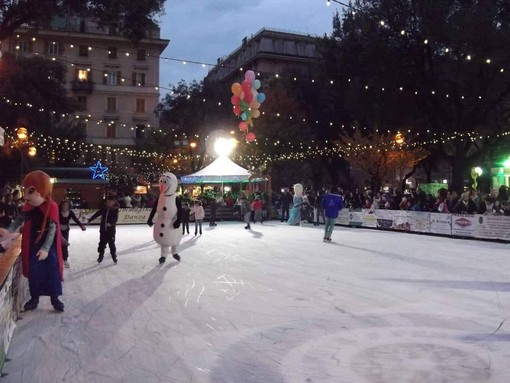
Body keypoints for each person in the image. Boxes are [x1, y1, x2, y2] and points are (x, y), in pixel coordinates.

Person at [0, 171, 65, 312]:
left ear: (41, 190)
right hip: (33, 244)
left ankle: (55, 298)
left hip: (47, 245)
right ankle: (34, 298)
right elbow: (19, 219)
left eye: (30, 191)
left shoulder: (51, 206)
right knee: (34, 272)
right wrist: (10, 230)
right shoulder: (29, 207)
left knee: (51, 271)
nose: (26, 196)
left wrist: (46, 248)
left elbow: (53, 229)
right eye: (25, 190)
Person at [87, 195, 119, 264]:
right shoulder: (104, 208)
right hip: (103, 229)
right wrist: (90, 219)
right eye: (108, 201)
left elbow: (115, 218)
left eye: (110, 201)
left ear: (113, 202)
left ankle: (114, 256)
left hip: (111, 230)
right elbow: (97, 213)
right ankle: (101, 255)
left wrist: (111, 223)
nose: (109, 203)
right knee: (102, 243)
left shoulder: (115, 209)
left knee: (111, 243)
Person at [59, 200, 86, 268]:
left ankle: (65, 260)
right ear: (61, 205)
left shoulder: (70, 212)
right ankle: (58, 260)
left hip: (65, 230)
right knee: (57, 245)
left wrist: (81, 226)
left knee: (65, 245)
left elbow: (75, 219)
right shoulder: (58, 211)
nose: (65, 206)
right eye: (64, 205)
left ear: (69, 206)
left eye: (67, 205)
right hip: (57, 230)